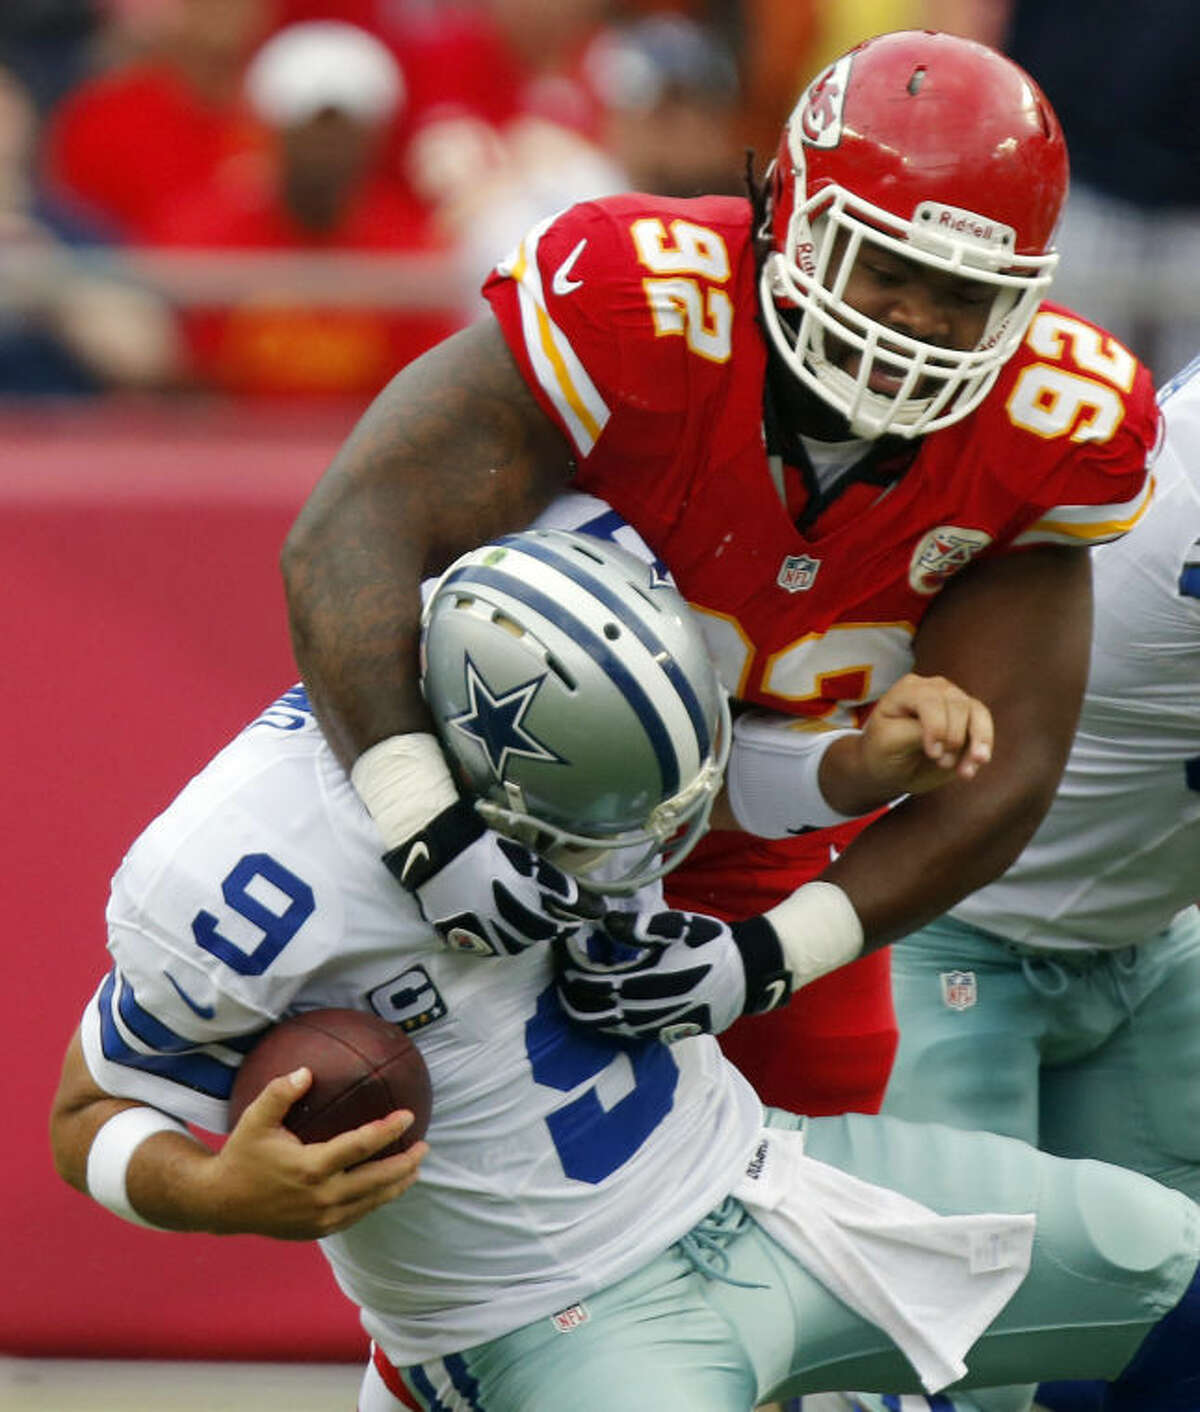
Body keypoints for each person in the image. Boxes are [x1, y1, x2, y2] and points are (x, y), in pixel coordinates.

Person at [47, 526, 1200, 1412]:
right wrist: (213, 1192)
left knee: (1170, 1269)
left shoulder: (591, 666)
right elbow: (87, 1107)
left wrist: (858, 764)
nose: (645, 848)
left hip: (764, 1176)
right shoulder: (249, 867)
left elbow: (709, 780)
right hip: (546, 1310)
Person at [278, 29, 1158, 1121]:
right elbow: (353, 529)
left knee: (829, 1152)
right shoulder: (641, 297)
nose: (921, 323)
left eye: (963, 293)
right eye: (888, 269)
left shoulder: (1049, 423)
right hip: (501, 790)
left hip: (765, 842)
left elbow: (1006, 762)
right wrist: (425, 815)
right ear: (790, 213)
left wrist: (771, 955)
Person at [820, 353, 1200, 1412]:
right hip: (944, 932)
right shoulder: (1186, 502)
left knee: (1174, 1350)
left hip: (1150, 934)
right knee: (952, 1373)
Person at [147, 20, 461, 400]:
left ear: (373, 139)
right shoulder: (202, 235)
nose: (326, 152)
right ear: (273, 132)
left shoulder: (412, 248)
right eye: (310, 131)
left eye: (343, 133)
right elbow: (180, 374)